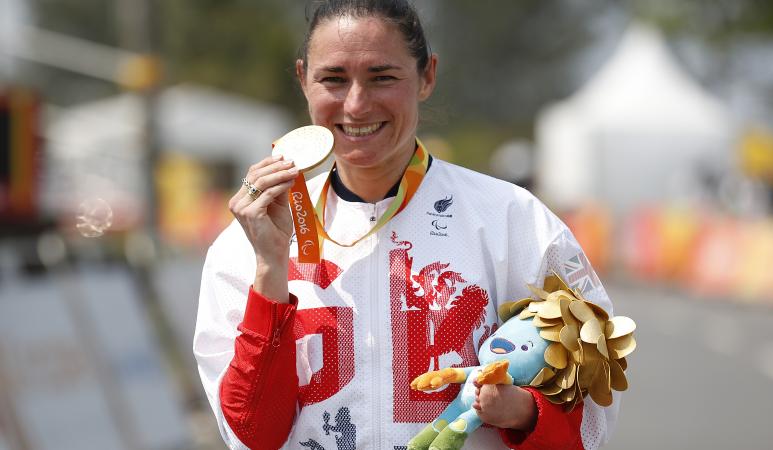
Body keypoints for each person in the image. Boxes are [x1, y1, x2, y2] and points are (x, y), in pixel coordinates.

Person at [194, 1, 620, 449]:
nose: (356, 105)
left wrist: (523, 411)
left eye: (382, 77)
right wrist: (269, 268)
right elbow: (253, 435)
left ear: (427, 76)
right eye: (333, 79)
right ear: (303, 79)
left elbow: (593, 407)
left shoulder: (513, 220)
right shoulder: (244, 245)